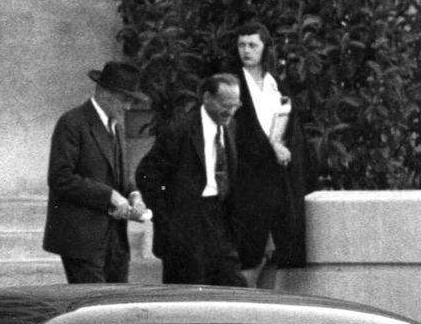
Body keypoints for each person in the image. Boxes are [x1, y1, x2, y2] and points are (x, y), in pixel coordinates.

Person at [42, 59, 150, 285]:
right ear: (103, 92)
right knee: (93, 301)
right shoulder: (72, 123)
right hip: (82, 239)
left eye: (131, 101)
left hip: (115, 240)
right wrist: (110, 196)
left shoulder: (116, 126)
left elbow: (119, 176)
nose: (128, 107)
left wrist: (134, 195)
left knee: (116, 301)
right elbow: (60, 178)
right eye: (124, 99)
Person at [136, 73, 246, 287]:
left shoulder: (230, 126)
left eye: (235, 105)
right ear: (207, 98)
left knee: (233, 286)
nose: (230, 111)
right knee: (189, 290)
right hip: (186, 224)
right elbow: (146, 174)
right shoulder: (180, 130)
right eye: (225, 105)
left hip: (220, 219)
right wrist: (166, 218)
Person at [227, 20, 307, 287]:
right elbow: (240, 131)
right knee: (250, 253)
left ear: (265, 48)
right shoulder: (233, 83)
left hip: (279, 178)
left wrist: (283, 147)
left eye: (252, 45)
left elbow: (290, 127)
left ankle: (266, 301)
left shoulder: (276, 84)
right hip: (249, 178)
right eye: (242, 45)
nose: (246, 50)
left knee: (276, 253)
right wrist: (271, 148)